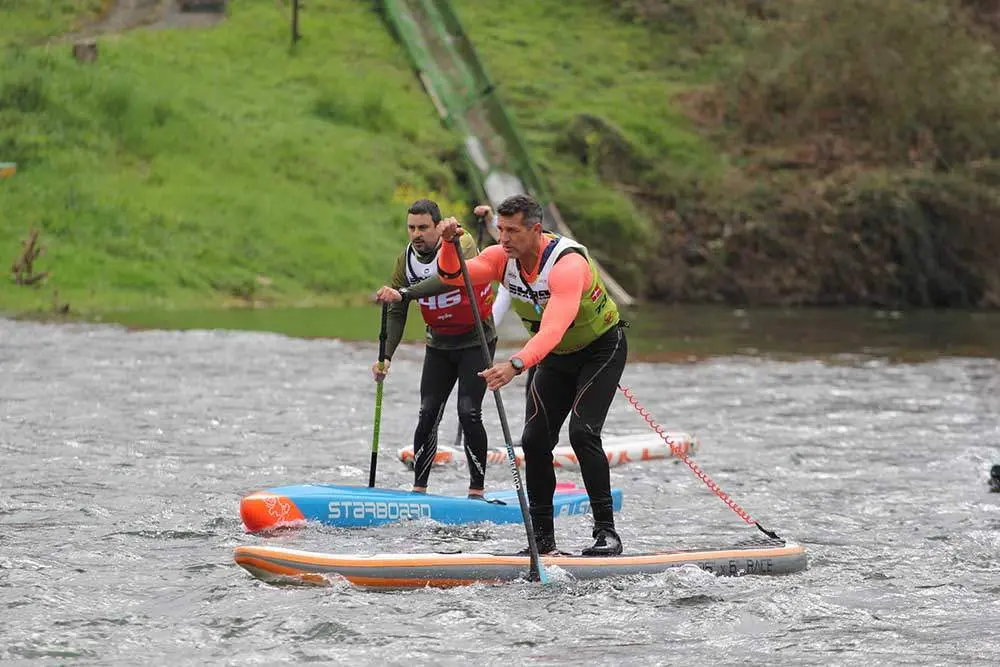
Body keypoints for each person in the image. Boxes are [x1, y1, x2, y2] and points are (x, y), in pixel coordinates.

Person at [436, 193, 627, 556]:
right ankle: (542, 540)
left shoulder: (567, 265)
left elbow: (552, 330)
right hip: (555, 356)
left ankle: (606, 533)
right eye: (500, 230)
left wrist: (515, 365)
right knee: (535, 441)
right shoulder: (501, 258)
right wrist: (447, 244)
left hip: (600, 350)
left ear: (536, 230)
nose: (503, 238)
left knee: (583, 433)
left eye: (512, 231)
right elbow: (453, 276)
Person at [372, 199, 497, 499]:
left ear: (438, 227)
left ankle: (476, 491)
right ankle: (419, 490)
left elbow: (447, 280)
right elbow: (397, 310)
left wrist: (404, 293)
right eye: (411, 228)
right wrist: (386, 357)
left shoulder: (461, 243)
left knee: (468, 412)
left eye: (423, 228)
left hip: (475, 341)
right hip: (439, 344)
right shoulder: (405, 261)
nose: (416, 234)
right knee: (428, 413)